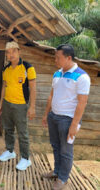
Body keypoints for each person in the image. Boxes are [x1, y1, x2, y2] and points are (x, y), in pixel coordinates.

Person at [41, 44, 90, 190]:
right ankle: (56, 171)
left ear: (69, 58)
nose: (55, 60)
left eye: (58, 57)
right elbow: (51, 95)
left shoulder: (82, 77)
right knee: (55, 146)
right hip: (53, 116)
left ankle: (63, 178)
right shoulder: (57, 73)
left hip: (68, 120)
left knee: (66, 150)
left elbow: (82, 103)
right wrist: (46, 115)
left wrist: (74, 125)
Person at [0, 41, 36, 171]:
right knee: (8, 129)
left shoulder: (27, 67)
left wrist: (32, 107)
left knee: (22, 132)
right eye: (8, 52)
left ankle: (25, 158)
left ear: (19, 51)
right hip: (7, 103)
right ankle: (10, 151)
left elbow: (33, 88)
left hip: (21, 105)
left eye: (14, 51)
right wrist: (1, 104)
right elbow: (4, 86)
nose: (11, 54)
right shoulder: (6, 69)